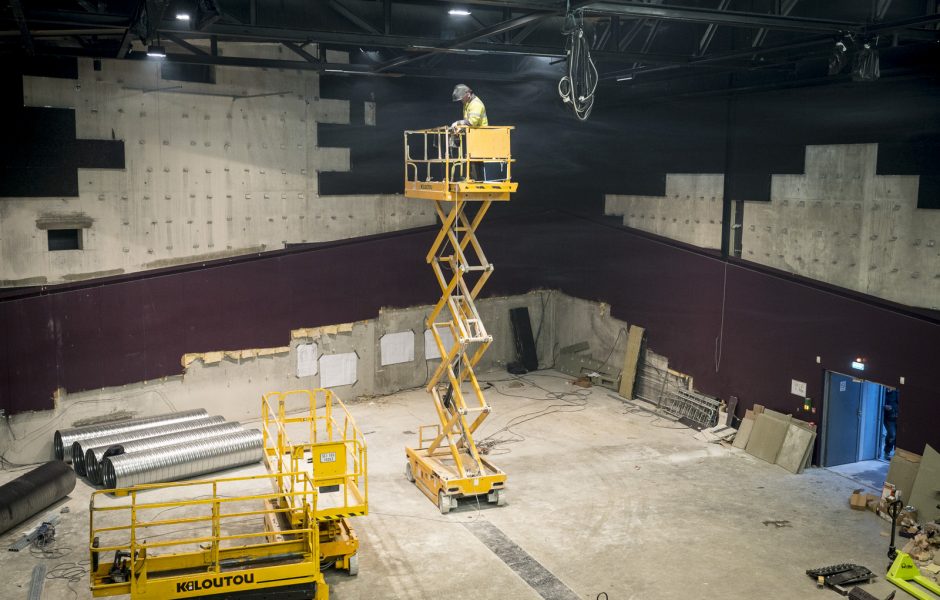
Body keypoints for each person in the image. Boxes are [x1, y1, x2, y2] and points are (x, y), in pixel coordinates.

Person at [449, 84, 491, 181]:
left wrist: (457, 123)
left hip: (481, 136)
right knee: (471, 159)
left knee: (476, 160)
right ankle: (472, 179)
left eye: (461, 98)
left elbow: (472, 122)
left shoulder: (476, 104)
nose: (461, 101)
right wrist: (461, 129)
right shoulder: (467, 104)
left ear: (468, 94)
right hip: (474, 137)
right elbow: (468, 123)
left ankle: (477, 181)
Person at [883, 387, 898, 459]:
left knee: (896, 436)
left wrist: (892, 408)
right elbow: (880, 404)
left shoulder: (897, 392)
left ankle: (896, 454)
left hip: (897, 418)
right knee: (892, 434)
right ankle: (887, 452)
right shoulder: (883, 392)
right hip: (888, 419)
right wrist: (884, 407)